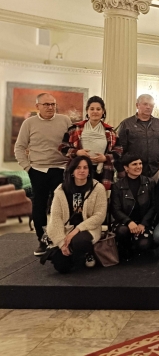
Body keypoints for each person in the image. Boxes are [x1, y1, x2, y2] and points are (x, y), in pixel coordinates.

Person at [15, 92, 72, 256]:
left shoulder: (65, 121)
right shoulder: (29, 123)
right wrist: (27, 168)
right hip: (38, 170)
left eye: (53, 104)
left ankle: (60, 239)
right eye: (46, 104)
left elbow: (72, 143)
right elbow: (19, 147)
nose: (50, 107)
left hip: (61, 169)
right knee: (39, 206)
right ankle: (42, 240)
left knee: (60, 206)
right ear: (37, 106)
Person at [45, 156, 107, 274]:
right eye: (78, 167)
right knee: (61, 266)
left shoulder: (97, 188)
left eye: (85, 167)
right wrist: (62, 243)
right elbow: (55, 218)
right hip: (66, 229)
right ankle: (74, 254)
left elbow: (99, 216)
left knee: (79, 241)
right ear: (72, 171)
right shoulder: (61, 190)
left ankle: (87, 252)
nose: (82, 171)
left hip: (88, 229)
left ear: (89, 171)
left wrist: (77, 229)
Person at [59, 96, 122, 191]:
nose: (95, 111)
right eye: (91, 109)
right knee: (79, 197)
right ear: (87, 111)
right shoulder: (74, 129)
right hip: (79, 170)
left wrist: (106, 158)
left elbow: (119, 150)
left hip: (102, 171)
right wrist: (77, 152)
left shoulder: (111, 132)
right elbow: (63, 147)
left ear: (103, 111)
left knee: (99, 199)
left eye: (98, 109)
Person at [117, 94, 159, 182]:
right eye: (145, 104)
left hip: (155, 170)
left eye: (151, 105)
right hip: (133, 171)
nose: (148, 107)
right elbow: (119, 149)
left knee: (154, 195)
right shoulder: (126, 124)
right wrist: (122, 168)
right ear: (137, 105)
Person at [110, 154, 155, 260]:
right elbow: (115, 209)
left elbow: (154, 206)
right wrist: (129, 222)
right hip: (124, 222)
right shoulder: (117, 186)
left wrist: (143, 224)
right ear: (126, 168)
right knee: (122, 231)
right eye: (134, 164)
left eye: (140, 164)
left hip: (144, 223)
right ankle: (125, 247)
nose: (138, 166)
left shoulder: (150, 182)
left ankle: (138, 243)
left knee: (143, 245)